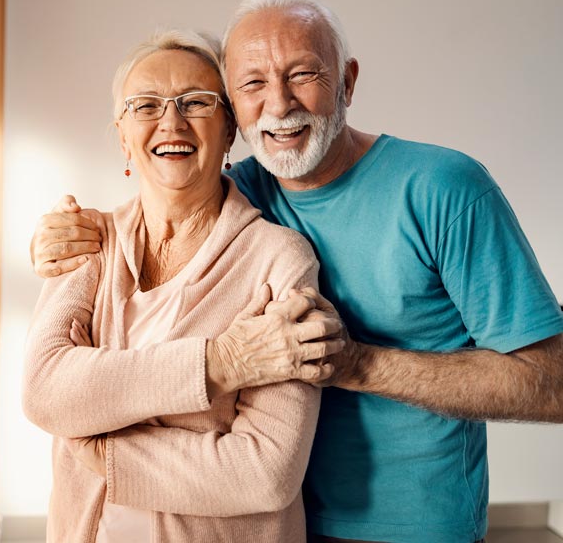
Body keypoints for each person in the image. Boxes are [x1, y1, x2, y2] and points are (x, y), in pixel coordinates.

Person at [30, 0, 563, 543]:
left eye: (303, 74)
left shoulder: (443, 189)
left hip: (415, 526)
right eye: (254, 83)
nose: (280, 105)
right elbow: (169, 187)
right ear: (236, 108)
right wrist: (57, 240)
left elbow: (554, 381)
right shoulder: (245, 192)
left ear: (348, 82)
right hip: (280, 526)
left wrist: (355, 363)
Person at [22, 28, 347, 543]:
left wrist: (105, 454)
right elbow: (44, 392)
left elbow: (264, 473)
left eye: (195, 102)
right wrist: (222, 363)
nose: (170, 121)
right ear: (123, 133)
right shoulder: (87, 240)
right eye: (145, 105)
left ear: (229, 130)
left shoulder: (279, 259)